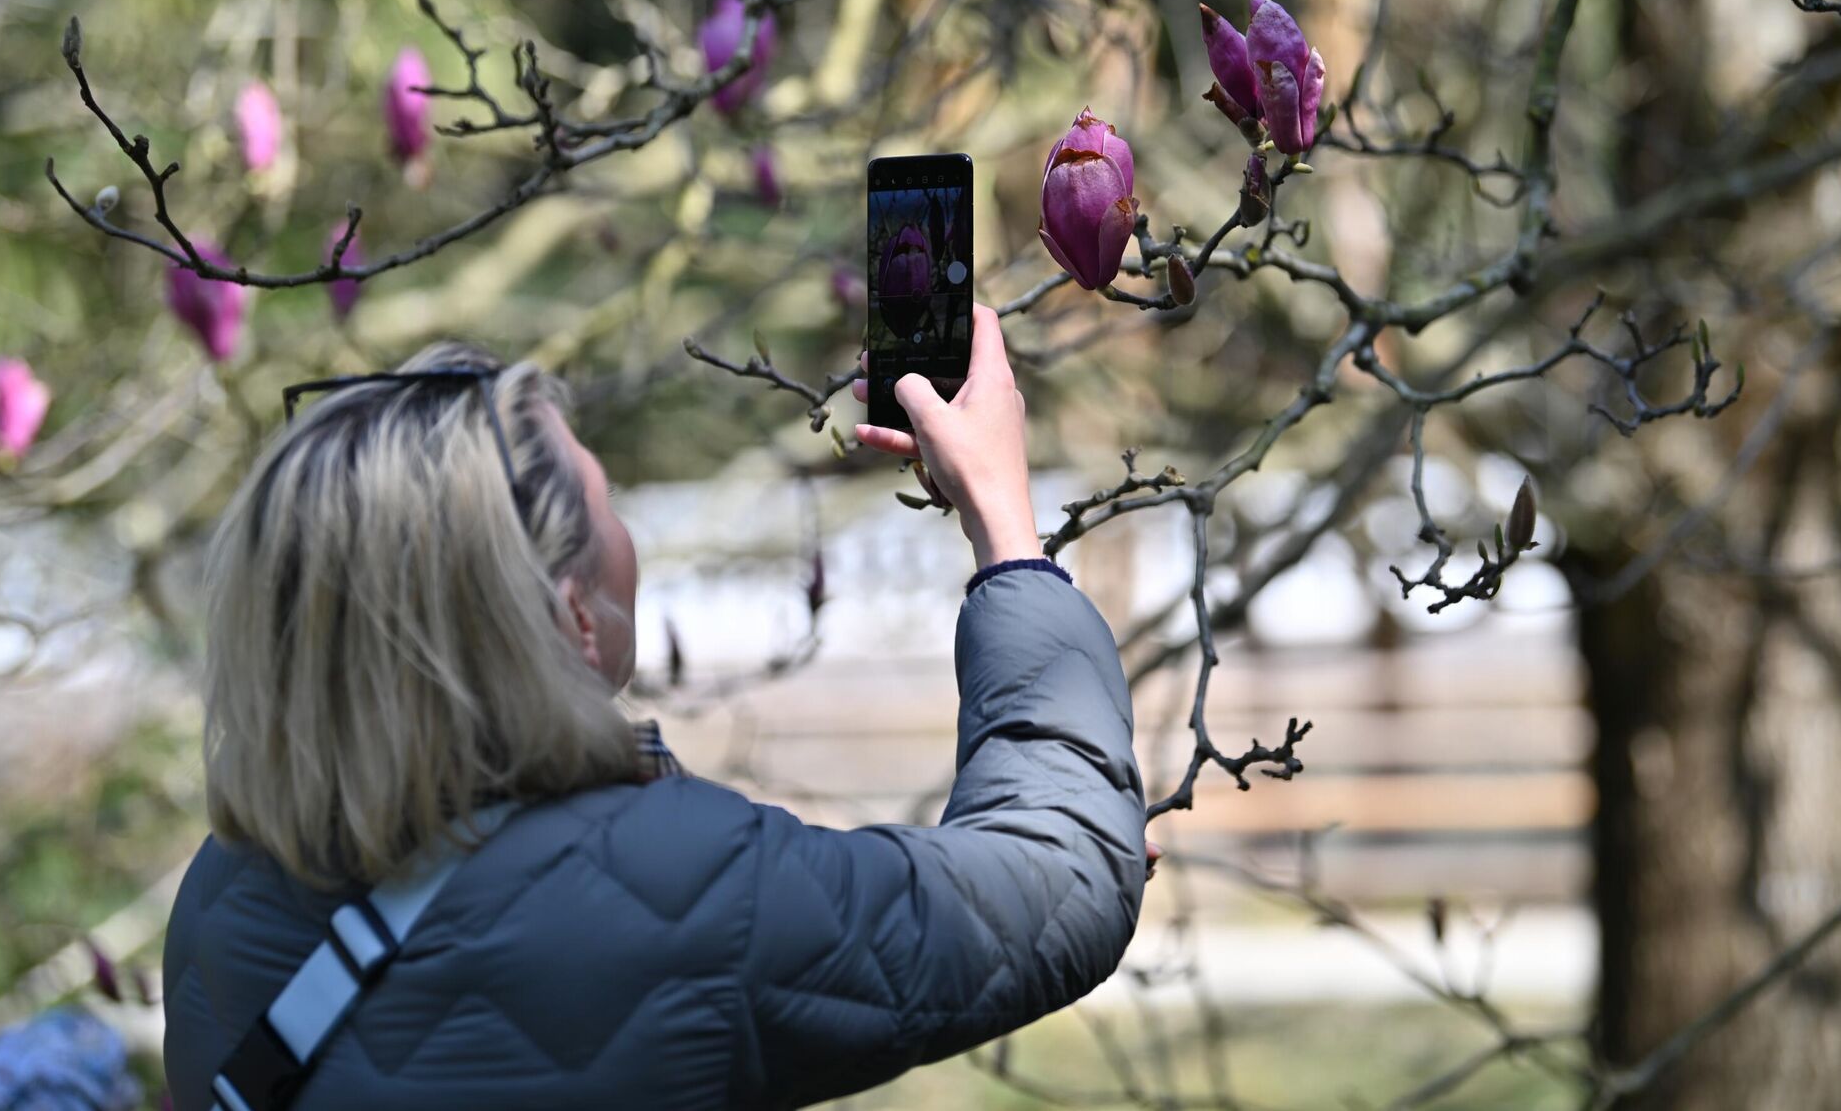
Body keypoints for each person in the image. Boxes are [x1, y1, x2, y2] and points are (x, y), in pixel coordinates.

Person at [162, 303, 1146, 1109]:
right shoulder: (686, 888)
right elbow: (1062, 876)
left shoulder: (224, 897)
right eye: (608, 501)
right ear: (572, 619)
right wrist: (1005, 523)